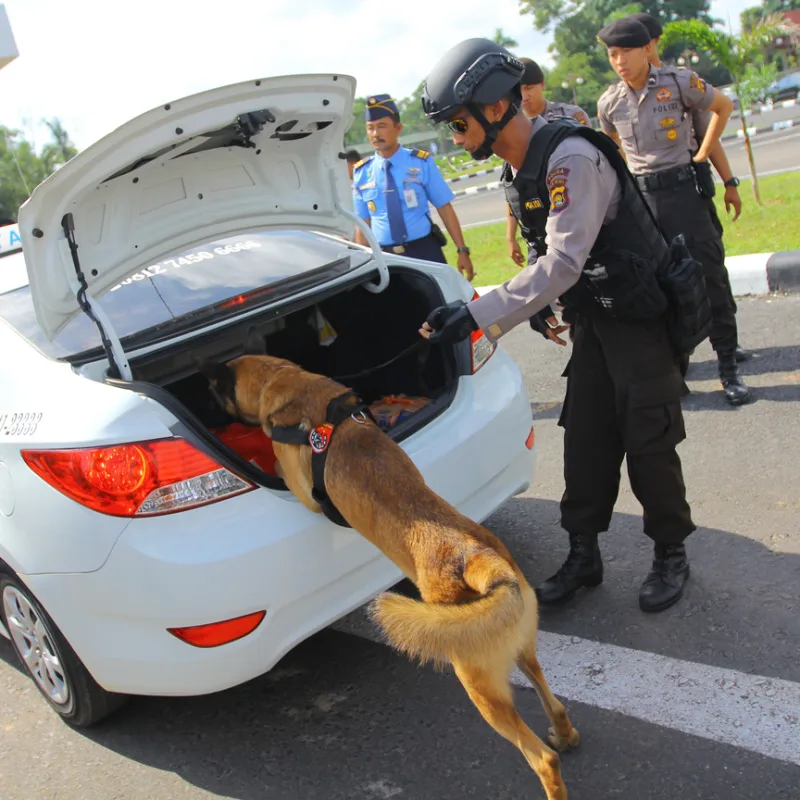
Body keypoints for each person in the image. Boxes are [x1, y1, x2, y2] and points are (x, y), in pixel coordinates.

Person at [418, 38, 698, 613]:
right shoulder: (516, 171)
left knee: (649, 443)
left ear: (495, 109)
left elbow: (564, 260)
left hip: (641, 322)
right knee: (587, 440)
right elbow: (546, 251)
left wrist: (476, 314)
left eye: (458, 121)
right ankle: (583, 556)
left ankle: (671, 552)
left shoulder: (571, 157)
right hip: (596, 321)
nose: (454, 135)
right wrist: (542, 306)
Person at [596, 18, 751, 405]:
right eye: (612, 55)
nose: (618, 61)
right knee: (659, 285)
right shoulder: (609, 103)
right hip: (643, 203)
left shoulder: (678, 83)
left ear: (645, 49)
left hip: (684, 193)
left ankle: (728, 367)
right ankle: (675, 368)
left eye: (625, 52)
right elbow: (613, 150)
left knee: (708, 274)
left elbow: (722, 106)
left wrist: (703, 159)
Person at [629, 10, 749, 374]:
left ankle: (726, 350)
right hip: (651, 197)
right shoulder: (620, 96)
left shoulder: (680, 84)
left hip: (689, 187)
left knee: (708, 266)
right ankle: (682, 357)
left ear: (652, 45)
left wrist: (728, 183)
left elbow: (709, 139)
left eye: (641, 44)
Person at [352, 94, 474, 279]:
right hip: (386, 257)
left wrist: (462, 250)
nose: (376, 134)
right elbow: (363, 224)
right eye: (371, 128)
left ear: (398, 128)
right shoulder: (362, 173)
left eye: (382, 126)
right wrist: (364, 265)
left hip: (424, 251)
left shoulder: (420, 163)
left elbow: (444, 207)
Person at [508, 58, 592, 268]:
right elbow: (514, 188)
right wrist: (511, 236)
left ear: (542, 85)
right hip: (537, 223)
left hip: (575, 213)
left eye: (529, 88)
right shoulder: (509, 129)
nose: (524, 96)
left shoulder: (571, 116)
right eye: (519, 90)